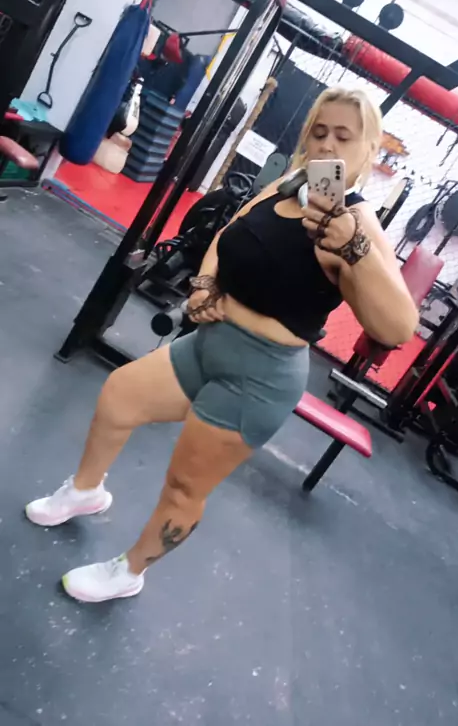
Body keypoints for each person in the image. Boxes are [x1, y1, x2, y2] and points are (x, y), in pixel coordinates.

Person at [25, 87, 419, 603]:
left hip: (258, 377)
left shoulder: (357, 224)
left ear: (368, 149)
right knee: (120, 396)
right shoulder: (287, 185)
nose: (327, 145)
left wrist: (355, 250)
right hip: (210, 343)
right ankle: (84, 491)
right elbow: (226, 233)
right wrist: (206, 284)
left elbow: (398, 328)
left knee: (184, 486)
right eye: (319, 132)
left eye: (344, 137)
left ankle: (129, 571)